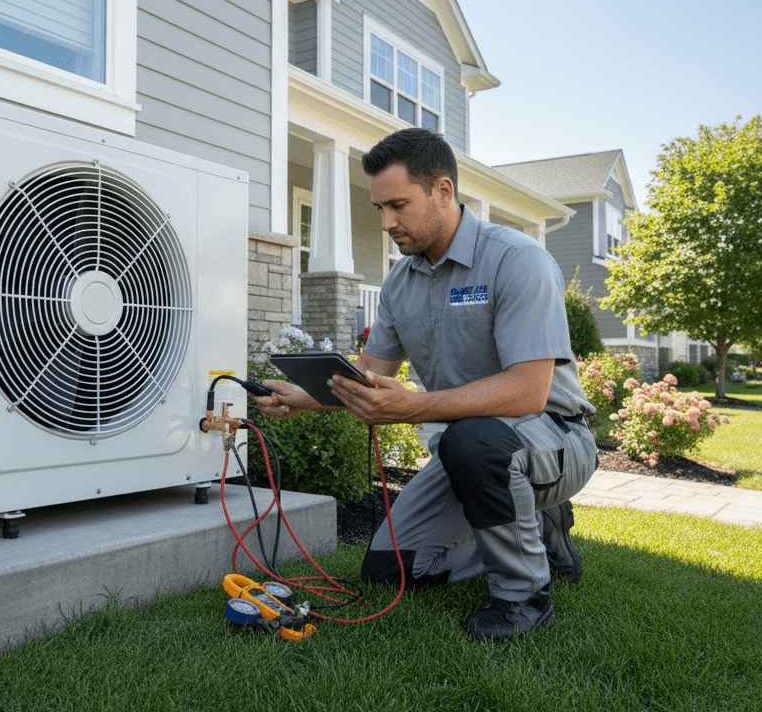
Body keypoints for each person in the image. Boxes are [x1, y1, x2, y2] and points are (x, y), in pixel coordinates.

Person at [255, 128, 597, 640]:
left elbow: (528, 390)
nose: (387, 222)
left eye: (398, 205)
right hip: (473, 449)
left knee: (472, 440)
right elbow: (372, 374)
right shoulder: (400, 282)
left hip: (554, 435)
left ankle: (523, 598)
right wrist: (305, 398)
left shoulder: (516, 259)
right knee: (393, 568)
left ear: (442, 190)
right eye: (379, 208)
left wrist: (414, 407)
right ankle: (539, 527)